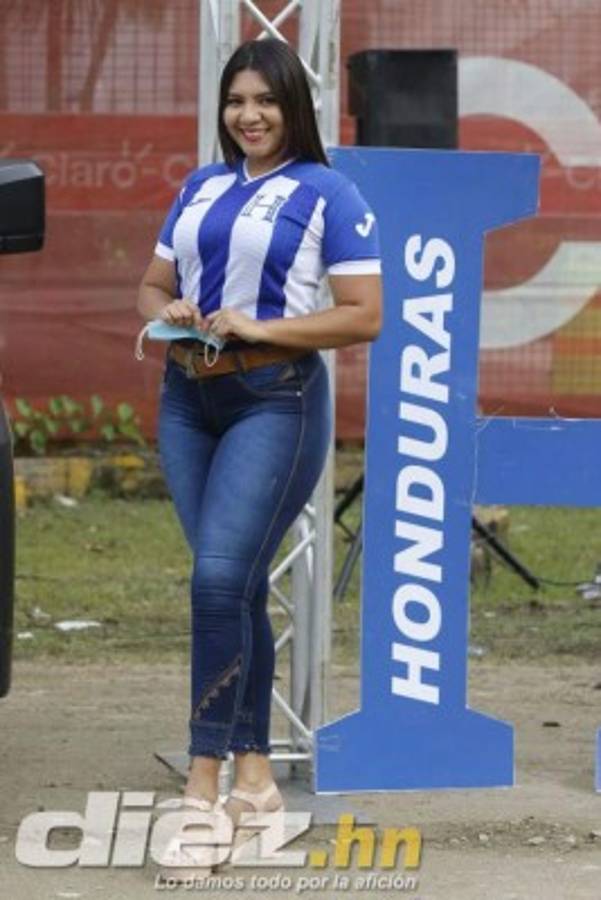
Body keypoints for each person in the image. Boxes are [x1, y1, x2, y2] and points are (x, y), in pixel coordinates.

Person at [137, 37, 382, 874]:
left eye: (266, 101)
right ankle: (256, 783)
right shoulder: (200, 186)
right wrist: (169, 305)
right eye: (237, 100)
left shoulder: (328, 192)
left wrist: (261, 326)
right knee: (231, 585)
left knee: (216, 582)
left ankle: (201, 790)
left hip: (275, 398)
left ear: (293, 107)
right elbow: (150, 283)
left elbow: (364, 314)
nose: (249, 115)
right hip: (185, 399)